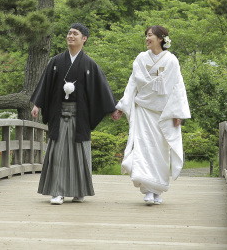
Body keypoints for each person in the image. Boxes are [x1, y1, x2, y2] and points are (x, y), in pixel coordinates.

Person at [31, 23, 119, 205]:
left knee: (79, 154)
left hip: (80, 117)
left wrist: (112, 109)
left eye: (75, 34)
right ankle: (58, 191)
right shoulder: (55, 62)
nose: (70, 36)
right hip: (59, 114)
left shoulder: (89, 64)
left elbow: (101, 88)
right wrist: (37, 105)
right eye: (69, 33)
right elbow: (45, 85)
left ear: (84, 39)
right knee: (58, 154)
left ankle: (79, 191)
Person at [113, 25, 190, 204]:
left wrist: (177, 113)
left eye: (150, 36)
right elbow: (132, 83)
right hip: (143, 111)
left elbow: (177, 87)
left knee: (161, 151)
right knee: (143, 149)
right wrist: (122, 106)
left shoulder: (171, 60)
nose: (147, 39)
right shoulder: (141, 58)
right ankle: (147, 190)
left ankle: (158, 190)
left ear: (161, 39)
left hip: (163, 113)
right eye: (146, 36)